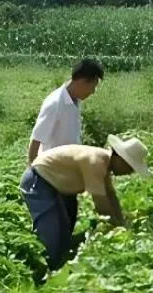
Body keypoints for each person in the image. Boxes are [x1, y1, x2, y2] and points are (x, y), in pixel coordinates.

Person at [20, 135, 151, 270]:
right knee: (53, 237)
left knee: (63, 236)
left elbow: (111, 196)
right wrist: (116, 226)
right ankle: (42, 273)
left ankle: (59, 268)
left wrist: (122, 223)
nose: (129, 173)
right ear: (121, 159)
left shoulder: (104, 163)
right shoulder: (96, 162)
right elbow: (101, 204)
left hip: (56, 187)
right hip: (38, 182)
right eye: (129, 167)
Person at [28, 58, 105, 235]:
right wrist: (34, 176)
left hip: (66, 171)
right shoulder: (56, 103)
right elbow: (36, 140)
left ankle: (63, 252)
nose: (93, 92)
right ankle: (53, 255)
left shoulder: (74, 102)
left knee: (69, 215)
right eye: (93, 86)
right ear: (82, 81)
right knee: (56, 222)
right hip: (52, 173)